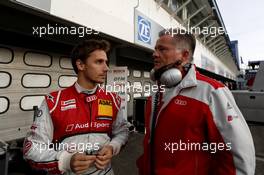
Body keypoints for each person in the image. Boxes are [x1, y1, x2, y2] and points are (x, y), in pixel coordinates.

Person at [137, 28, 255, 175]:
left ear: (184, 55)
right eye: (155, 49)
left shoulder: (212, 92)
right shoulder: (156, 93)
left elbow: (237, 156)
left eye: (162, 49)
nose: (154, 54)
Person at [23, 39, 128, 175]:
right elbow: (31, 148)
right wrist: (65, 160)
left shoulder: (113, 99)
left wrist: (112, 147)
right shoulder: (54, 101)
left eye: (106, 62)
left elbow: (122, 131)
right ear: (80, 65)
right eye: (99, 62)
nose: (106, 68)